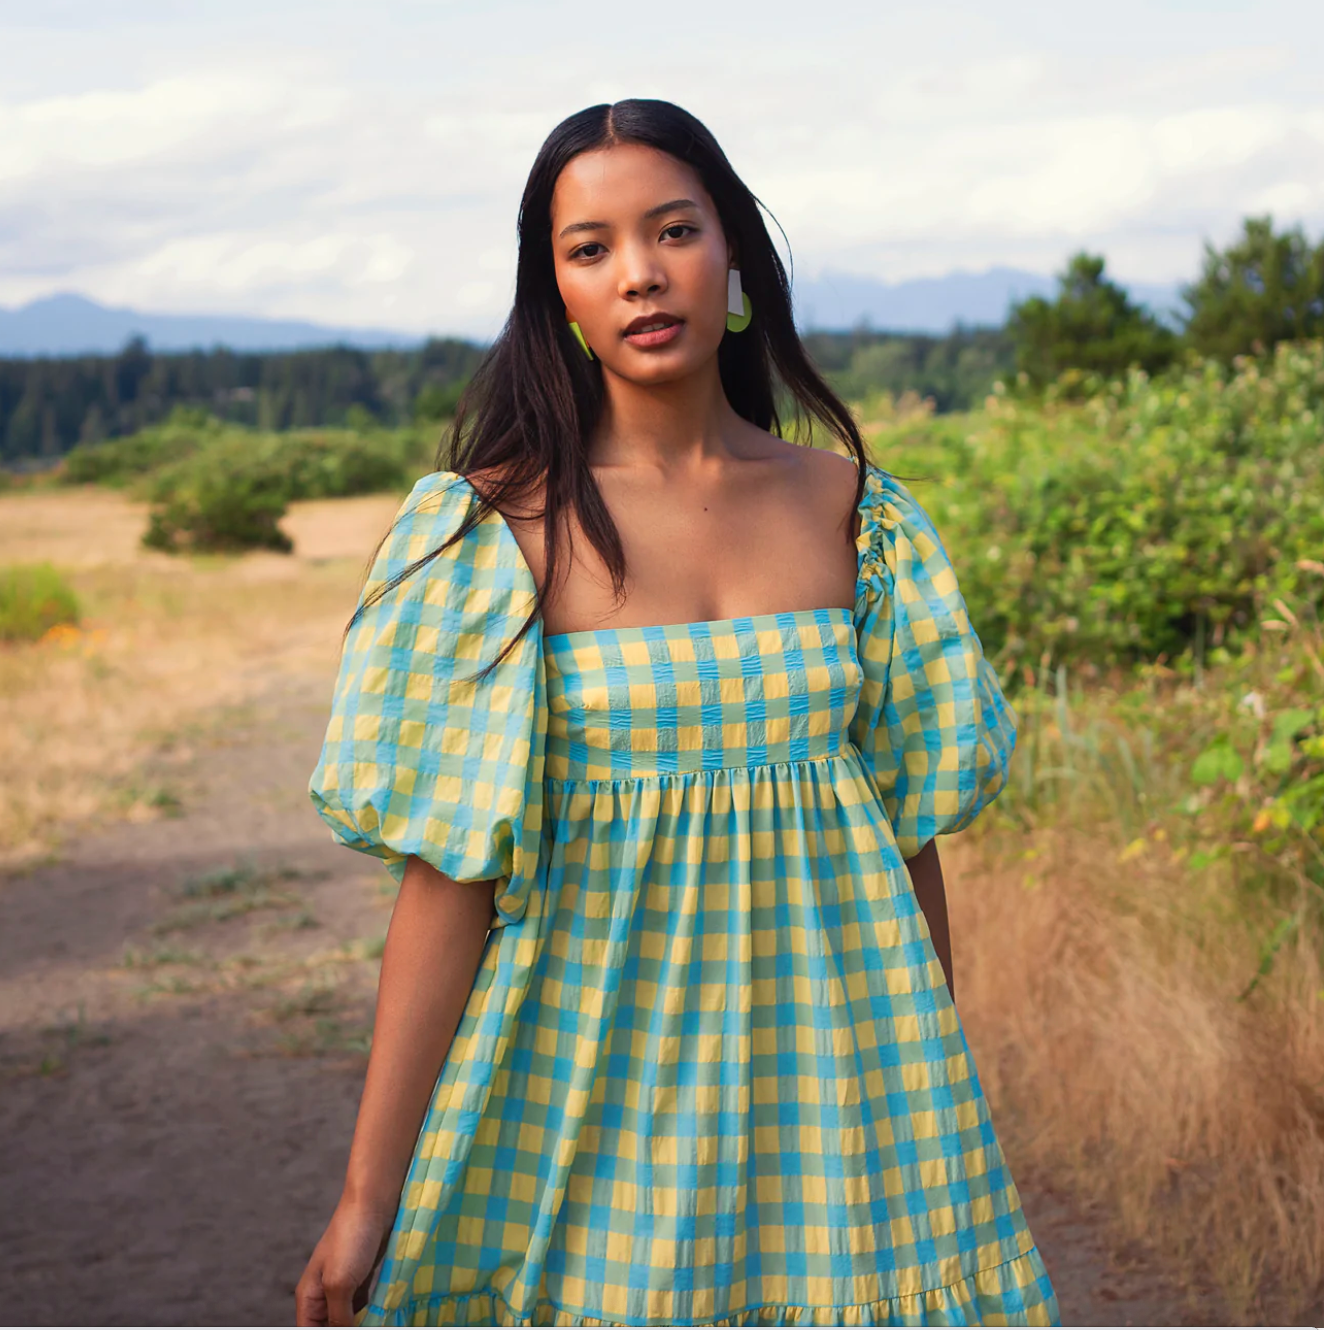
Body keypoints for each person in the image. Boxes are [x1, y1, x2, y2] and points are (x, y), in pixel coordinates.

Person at [295, 98, 1059, 1329]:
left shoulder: (859, 519)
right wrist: (364, 1198)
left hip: (841, 1087)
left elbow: (905, 837)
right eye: (589, 248)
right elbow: (446, 888)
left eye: (673, 230)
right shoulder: (491, 534)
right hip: (585, 1089)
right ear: (555, 293)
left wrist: (932, 1103)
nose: (640, 275)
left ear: (736, 257)